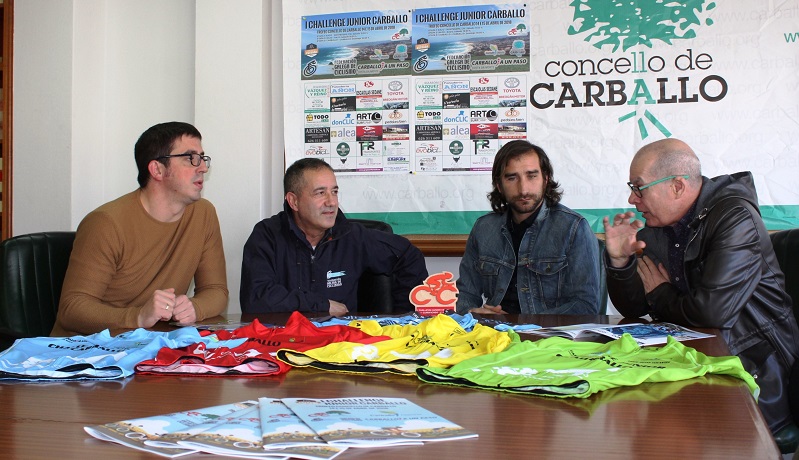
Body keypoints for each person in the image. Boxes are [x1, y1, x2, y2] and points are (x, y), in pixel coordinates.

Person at [604, 137, 799, 437]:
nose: (632, 199)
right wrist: (620, 262)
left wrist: (661, 293)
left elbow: (712, 312)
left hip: (754, 369)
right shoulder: (659, 225)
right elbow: (635, 307)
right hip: (688, 362)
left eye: (638, 187)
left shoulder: (736, 217)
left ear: (677, 186)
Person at [52, 122, 228, 336]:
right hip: (88, 354)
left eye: (202, 158)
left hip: (153, 348)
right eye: (190, 158)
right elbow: (72, 309)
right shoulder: (106, 223)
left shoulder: (203, 214)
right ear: (157, 169)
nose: (203, 167)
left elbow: (216, 291)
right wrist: (137, 317)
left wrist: (195, 307)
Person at [240, 158, 428, 316]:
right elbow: (255, 298)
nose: (331, 202)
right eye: (320, 193)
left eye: (335, 192)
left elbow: (408, 256)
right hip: (284, 344)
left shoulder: (352, 236)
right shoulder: (267, 236)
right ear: (294, 201)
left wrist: (402, 318)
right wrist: (322, 305)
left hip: (342, 345)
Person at [456, 140, 601, 315]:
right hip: (493, 333)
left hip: (549, 338)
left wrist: (523, 323)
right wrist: (473, 312)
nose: (523, 189)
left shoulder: (573, 227)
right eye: (512, 178)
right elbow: (464, 294)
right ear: (499, 185)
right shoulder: (483, 228)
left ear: (545, 179)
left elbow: (586, 306)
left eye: (531, 176)